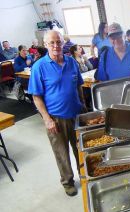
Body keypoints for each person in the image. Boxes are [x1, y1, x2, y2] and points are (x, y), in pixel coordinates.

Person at [28, 30, 86, 197]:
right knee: (61, 153)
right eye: (51, 43)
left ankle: (84, 175)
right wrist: (47, 119)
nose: (55, 46)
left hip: (76, 115)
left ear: (63, 43)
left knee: (80, 149)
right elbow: (36, 97)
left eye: (58, 42)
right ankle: (68, 182)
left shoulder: (72, 62)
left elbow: (78, 86)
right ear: (45, 45)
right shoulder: (39, 66)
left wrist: (82, 105)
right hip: (55, 119)